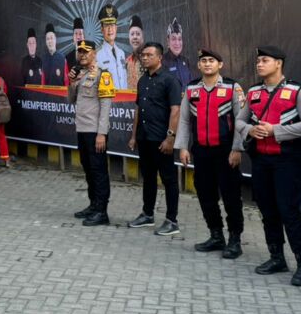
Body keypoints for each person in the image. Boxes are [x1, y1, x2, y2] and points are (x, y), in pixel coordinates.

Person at [235, 46, 301, 286]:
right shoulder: (253, 92)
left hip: (287, 161)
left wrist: (276, 131)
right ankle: (276, 257)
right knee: (267, 210)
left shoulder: (297, 91)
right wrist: (250, 129)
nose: (259, 64)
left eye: (265, 60)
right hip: (260, 160)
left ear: (278, 63)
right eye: (258, 60)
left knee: (289, 211)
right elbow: (240, 120)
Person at [178, 48, 246, 259]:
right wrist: (182, 147)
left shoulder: (233, 88)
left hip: (226, 152)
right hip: (201, 152)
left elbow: (241, 122)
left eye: (212, 61)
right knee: (205, 194)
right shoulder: (191, 89)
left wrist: (237, 149)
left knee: (231, 196)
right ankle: (216, 235)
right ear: (198, 65)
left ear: (220, 65)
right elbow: (184, 120)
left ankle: (235, 239)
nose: (207, 64)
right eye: (204, 61)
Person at [127, 43, 183, 236]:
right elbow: (137, 110)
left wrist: (170, 138)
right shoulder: (143, 80)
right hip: (144, 138)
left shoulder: (170, 80)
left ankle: (172, 220)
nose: (144, 58)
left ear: (159, 58)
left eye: (149, 55)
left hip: (162, 139)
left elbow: (175, 111)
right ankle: (147, 214)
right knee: (148, 177)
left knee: (169, 180)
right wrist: (134, 136)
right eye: (143, 55)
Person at [69, 39, 114, 226]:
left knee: (99, 171)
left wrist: (102, 133)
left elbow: (105, 107)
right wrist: (72, 82)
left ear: (94, 53)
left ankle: (102, 212)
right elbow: (72, 100)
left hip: (96, 132)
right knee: (88, 169)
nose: (82, 55)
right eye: (80, 52)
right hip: (82, 129)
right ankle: (93, 205)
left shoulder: (103, 75)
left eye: (86, 52)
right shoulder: (80, 74)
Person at [95, 5, 128, 90]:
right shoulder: (96, 55)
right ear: (102, 29)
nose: (110, 29)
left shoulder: (121, 53)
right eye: (106, 26)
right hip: (107, 101)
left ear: (116, 28)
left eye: (112, 25)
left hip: (124, 101)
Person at [162, 17, 195, 89]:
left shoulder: (185, 61)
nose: (177, 43)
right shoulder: (162, 62)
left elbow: (192, 85)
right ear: (168, 41)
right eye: (173, 39)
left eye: (179, 39)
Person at [125, 14, 145, 90]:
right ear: (129, 37)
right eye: (132, 34)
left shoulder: (150, 58)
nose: (135, 37)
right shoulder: (127, 61)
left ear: (142, 36)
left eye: (138, 34)